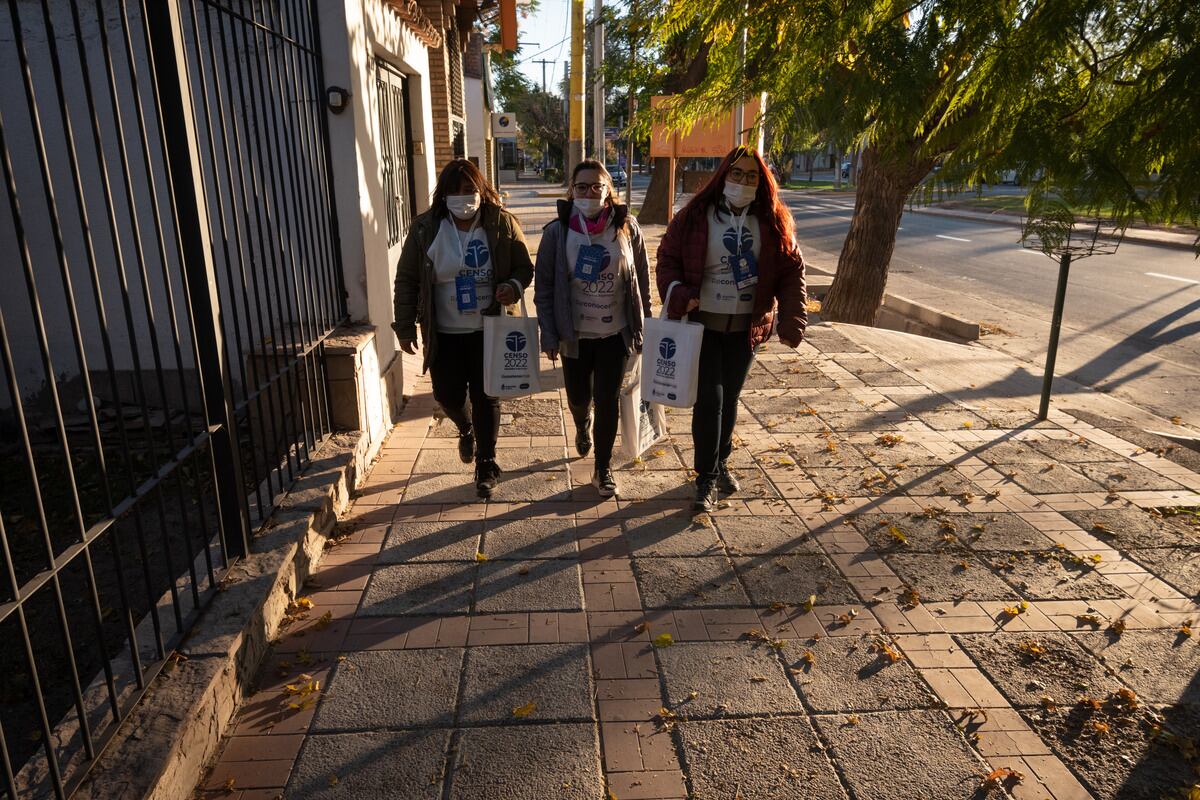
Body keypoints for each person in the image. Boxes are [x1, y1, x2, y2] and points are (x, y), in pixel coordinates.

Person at [656, 145, 808, 512]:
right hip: (702, 326)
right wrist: (679, 294)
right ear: (723, 176)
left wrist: (792, 319)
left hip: (746, 329)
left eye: (751, 176)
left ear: (762, 182)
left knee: (730, 399)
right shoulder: (694, 216)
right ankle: (705, 478)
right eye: (736, 174)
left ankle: (721, 461)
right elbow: (667, 260)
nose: (742, 181)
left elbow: (791, 272)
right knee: (711, 400)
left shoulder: (773, 221)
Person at [393, 159, 534, 498]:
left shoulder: (501, 223)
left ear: (481, 191)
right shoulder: (426, 228)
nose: (463, 198)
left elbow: (523, 267)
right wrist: (405, 326)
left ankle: (487, 463)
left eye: (470, 190)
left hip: (490, 328)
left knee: (488, 396)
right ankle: (465, 426)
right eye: (455, 192)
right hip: (444, 332)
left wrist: (512, 286)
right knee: (448, 396)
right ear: (443, 195)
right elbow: (407, 279)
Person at [535, 160, 653, 497]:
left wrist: (644, 326)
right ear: (571, 191)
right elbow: (544, 288)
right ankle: (580, 421)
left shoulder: (627, 227)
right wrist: (550, 333)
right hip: (574, 336)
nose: (589, 193)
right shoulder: (557, 233)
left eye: (596, 186)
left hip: (615, 334)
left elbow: (640, 281)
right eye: (582, 187)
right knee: (578, 396)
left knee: (607, 399)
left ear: (608, 190)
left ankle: (603, 468)